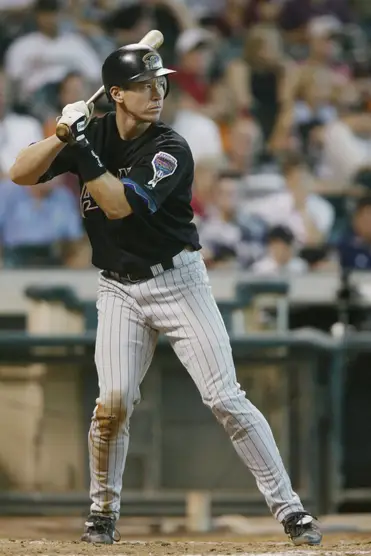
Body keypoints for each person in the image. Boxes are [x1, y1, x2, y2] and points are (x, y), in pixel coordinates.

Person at [9, 43, 322, 547]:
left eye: (159, 85)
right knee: (112, 403)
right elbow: (20, 172)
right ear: (115, 95)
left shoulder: (170, 148)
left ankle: (291, 510)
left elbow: (117, 206)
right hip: (117, 288)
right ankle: (102, 513)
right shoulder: (94, 132)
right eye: (143, 86)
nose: (156, 93)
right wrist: (61, 134)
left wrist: (83, 148)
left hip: (178, 282)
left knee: (225, 398)